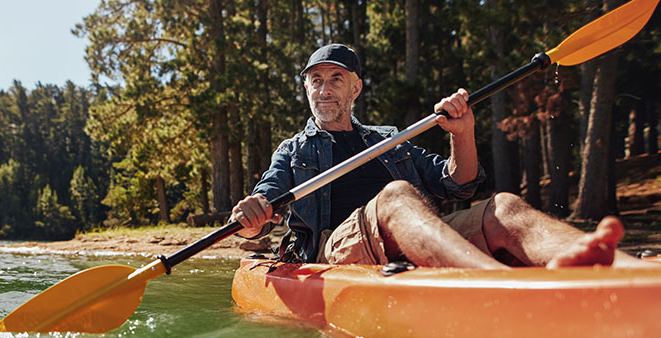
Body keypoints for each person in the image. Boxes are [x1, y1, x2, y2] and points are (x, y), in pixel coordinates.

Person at [231, 43, 650, 269]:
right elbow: (261, 210)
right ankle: (498, 288)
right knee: (396, 196)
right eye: (316, 80)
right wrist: (250, 219)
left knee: (503, 206)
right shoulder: (293, 151)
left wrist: (463, 133)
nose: (323, 89)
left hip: (404, 241)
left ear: (355, 89)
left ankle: (632, 272)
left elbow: (459, 182)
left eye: (335, 79)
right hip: (335, 250)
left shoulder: (389, 141)